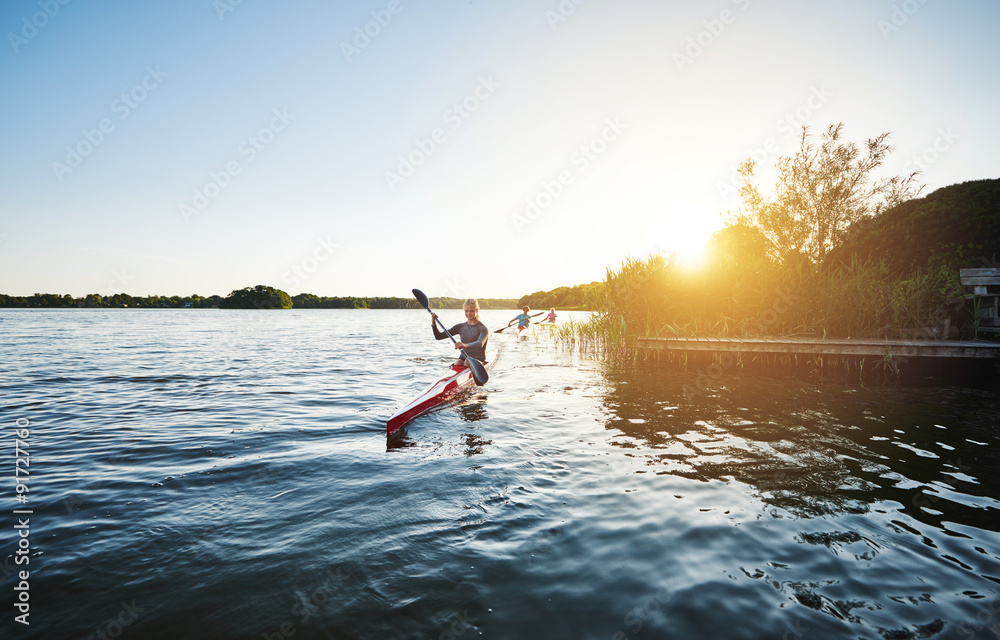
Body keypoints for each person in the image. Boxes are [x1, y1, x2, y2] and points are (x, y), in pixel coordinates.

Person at [431, 298, 489, 367]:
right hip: (464, 358)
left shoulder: (483, 329)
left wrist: (465, 345)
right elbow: (439, 336)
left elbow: (480, 343)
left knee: (467, 362)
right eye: (466, 311)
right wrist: (434, 323)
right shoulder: (460, 327)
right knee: (459, 362)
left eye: (471, 311)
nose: (468, 313)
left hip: (478, 359)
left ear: (477, 311)